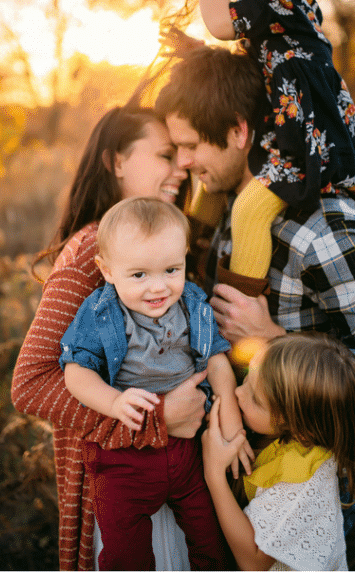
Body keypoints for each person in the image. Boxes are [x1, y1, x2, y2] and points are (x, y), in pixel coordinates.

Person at [11, 107, 213, 570]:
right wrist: (156, 419)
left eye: (183, 153)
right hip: (125, 483)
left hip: (172, 479)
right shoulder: (91, 254)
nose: (181, 166)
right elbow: (31, 383)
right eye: (165, 154)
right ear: (116, 162)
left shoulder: (155, 243)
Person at [153, 37, 355, 395]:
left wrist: (275, 340)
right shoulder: (229, 202)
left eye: (191, 146)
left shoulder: (327, 232)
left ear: (239, 131)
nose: (182, 163)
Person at [187, 0, 355, 297]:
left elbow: (219, 24)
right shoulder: (292, 6)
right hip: (301, 131)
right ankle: (189, 259)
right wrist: (195, 53)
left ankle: (239, 314)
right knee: (212, 188)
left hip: (303, 143)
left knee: (249, 210)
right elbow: (249, 63)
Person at [58, 197, 242, 570]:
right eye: (139, 275)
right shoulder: (101, 313)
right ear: (107, 271)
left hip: (187, 452)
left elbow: (217, 360)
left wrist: (230, 419)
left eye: (171, 269)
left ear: (185, 259)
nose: (158, 288)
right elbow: (75, 371)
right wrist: (112, 403)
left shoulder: (192, 302)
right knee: (127, 555)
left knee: (210, 541)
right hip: (123, 462)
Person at [202, 332, 355, 571]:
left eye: (256, 400)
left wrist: (214, 473)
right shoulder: (281, 437)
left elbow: (254, 563)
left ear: (300, 428)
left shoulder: (303, 478)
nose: (238, 393)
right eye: (247, 377)